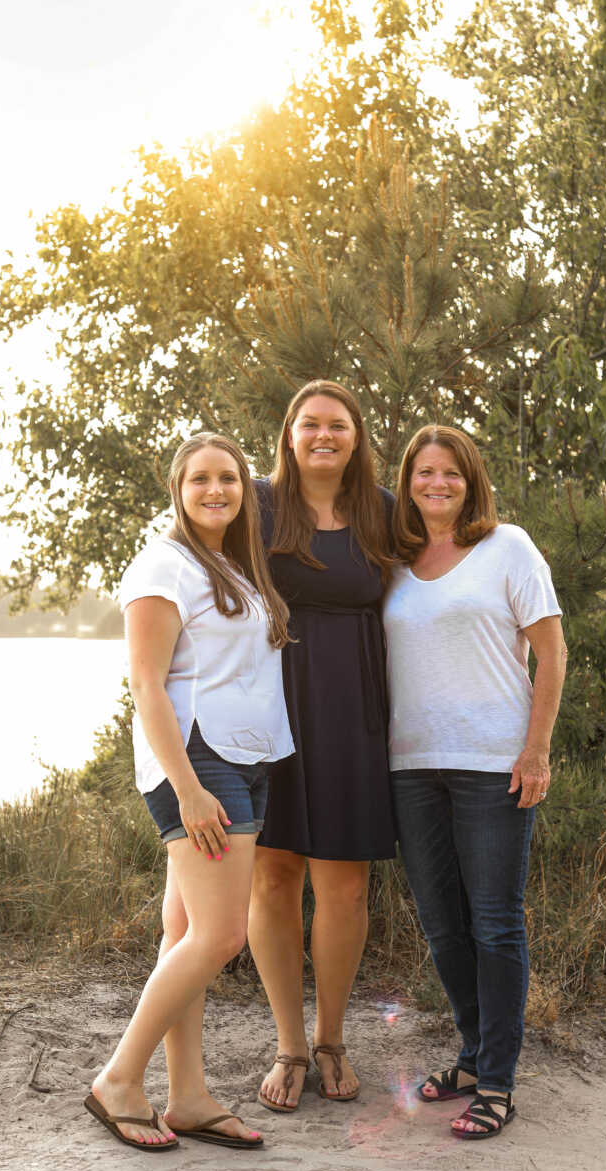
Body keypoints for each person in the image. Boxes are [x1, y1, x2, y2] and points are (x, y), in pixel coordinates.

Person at [85, 432, 294, 1152]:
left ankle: (190, 1097)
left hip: (247, 757)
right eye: (201, 478)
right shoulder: (162, 566)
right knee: (219, 936)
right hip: (202, 764)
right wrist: (189, 789)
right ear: (177, 487)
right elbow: (146, 684)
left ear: (245, 489)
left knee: (183, 935)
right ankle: (119, 1078)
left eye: (229, 479)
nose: (216, 490)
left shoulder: (235, 566)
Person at [383, 424, 566, 1139]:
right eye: (424, 472)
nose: (436, 484)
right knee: (441, 924)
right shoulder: (393, 562)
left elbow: (550, 653)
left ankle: (496, 1082)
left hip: (494, 763)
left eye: (450, 472)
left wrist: (537, 749)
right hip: (412, 767)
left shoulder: (508, 548)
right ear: (407, 483)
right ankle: (471, 1051)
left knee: (494, 922)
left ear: (471, 480)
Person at [249, 380, 397, 1111]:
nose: (324, 435)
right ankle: (289, 1045)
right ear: (289, 432)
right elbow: (185, 550)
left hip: (353, 709)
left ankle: (332, 1037)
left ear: (357, 437)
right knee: (272, 875)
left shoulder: (383, 513)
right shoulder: (255, 501)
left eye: (338, 425)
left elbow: (451, 567)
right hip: (266, 705)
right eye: (310, 424)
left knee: (344, 882)